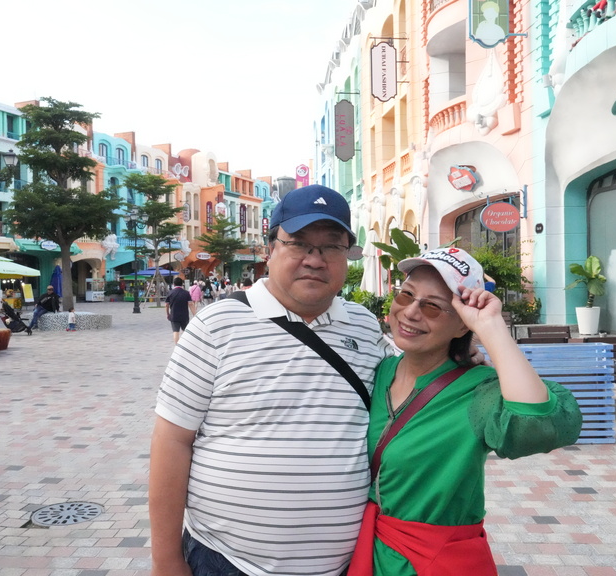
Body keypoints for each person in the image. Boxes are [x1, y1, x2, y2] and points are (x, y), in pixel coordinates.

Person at [150, 185, 396, 576]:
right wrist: (166, 562)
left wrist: (461, 350)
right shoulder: (216, 326)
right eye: (299, 243)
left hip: (342, 566)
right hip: (225, 562)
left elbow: (412, 388)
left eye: (331, 246)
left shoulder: (365, 328)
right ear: (271, 249)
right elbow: (172, 440)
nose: (315, 259)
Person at [347, 247, 583, 576]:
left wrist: (491, 327)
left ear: (462, 325)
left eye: (432, 306)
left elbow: (539, 423)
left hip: (435, 562)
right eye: (406, 295)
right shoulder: (379, 370)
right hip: (369, 553)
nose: (411, 312)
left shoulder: (477, 390)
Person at [165, 277, 193, 344]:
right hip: (184, 315)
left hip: (174, 315)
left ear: (174, 284)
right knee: (185, 331)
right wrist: (194, 314)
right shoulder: (186, 293)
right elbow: (190, 304)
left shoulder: (170, 293)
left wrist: (168, 314)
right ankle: (185, 344)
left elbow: (166, 305)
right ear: (182, 284)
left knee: (176, 332)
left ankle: (177, 346)